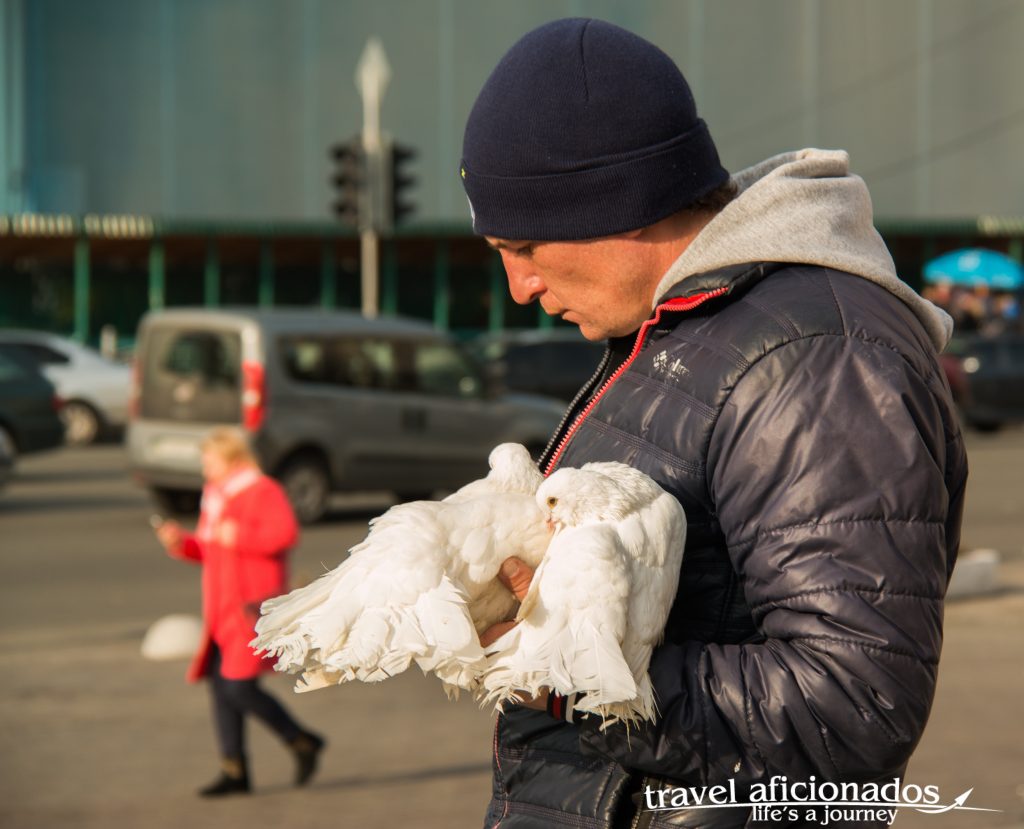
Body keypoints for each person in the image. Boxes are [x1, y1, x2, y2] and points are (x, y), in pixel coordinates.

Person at [461, 18, 968, 829]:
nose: (518, 285)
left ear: (619, 204)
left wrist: (562, 664)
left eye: (523, 244)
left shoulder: (810, 352)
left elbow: (854, 701)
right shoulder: (683, 328)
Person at [154, 427, 325, 797]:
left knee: (236, 685)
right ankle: (234, 770)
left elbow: (284, 535)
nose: (204, 467)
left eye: (209, 460)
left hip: (250, 608)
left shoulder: (263, 491)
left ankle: (300, 739)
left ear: (232, 459)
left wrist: (239, 536)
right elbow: (211, 551)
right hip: (221, 609)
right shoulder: (216, 496)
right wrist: (181, 543)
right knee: (221, 687)